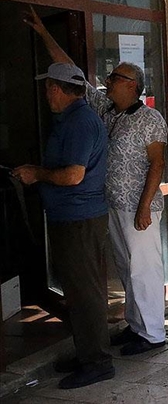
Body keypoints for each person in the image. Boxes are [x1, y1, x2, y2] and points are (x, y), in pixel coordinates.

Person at [25, 9, 168, 357]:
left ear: (132, 85)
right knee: (125, 268)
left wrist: (146, 205)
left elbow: (157, 164)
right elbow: (72, 73)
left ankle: (153, 334)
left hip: (139, 207)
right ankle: (136, 327)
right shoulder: (106, 109)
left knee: (143, 270)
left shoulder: (150, 118)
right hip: (111, 204)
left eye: (116, 76)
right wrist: (45, 34)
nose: (108, 79)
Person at [13, 61, 114, 389]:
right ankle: (89, 352)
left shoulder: (81, 122)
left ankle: (97, 361)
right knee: (78, 291)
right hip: (71, 219)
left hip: (80, 220)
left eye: (47, 88)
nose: (45, 94)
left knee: (85, 293)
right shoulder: (71, 119)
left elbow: (73, 175)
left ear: (56, 89)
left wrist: (36, 174)